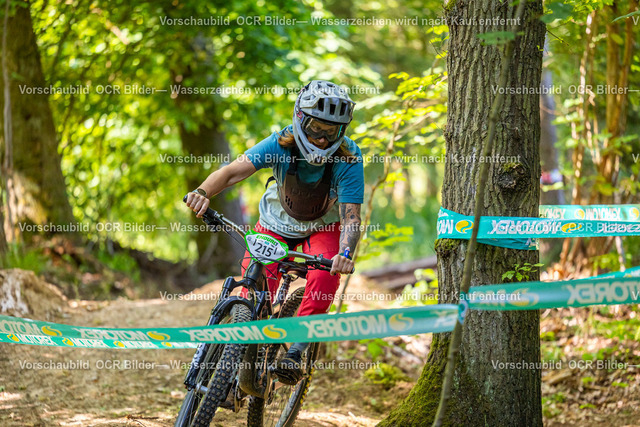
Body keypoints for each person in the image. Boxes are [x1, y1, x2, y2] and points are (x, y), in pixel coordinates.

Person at [184, 80, 363, 385]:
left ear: (342, 131)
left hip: (322, 227)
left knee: (324, 279)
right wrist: (202, 192)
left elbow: (351, 217)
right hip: (276, 222)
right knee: (253, 288)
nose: (322, 139)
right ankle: (239, 350)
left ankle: (295, 352)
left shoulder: (348, 158)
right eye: (316, 128)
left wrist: (345, 253)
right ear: (300, 119)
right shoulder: (280, 143)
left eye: (331, 131)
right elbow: (232, 172)